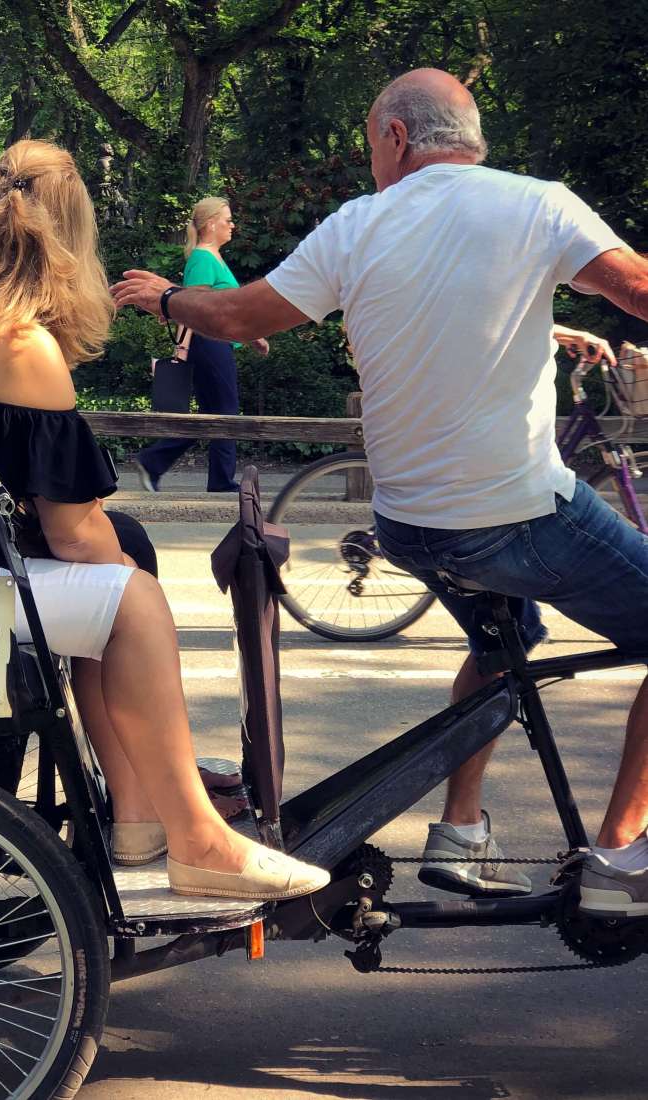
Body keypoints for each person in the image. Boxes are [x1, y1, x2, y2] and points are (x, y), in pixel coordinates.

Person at [112, 68, 648, 915]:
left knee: (510, 637)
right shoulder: (540, 203)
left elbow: (242, 315)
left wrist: (168, 296)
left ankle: (462, 831)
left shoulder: (358, 226)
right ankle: (620, 855)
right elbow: (637, 289)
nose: (370, 163)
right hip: (516, 517)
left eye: (369, 146)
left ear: (397, 137)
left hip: (410, 524)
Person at [0, 138, 324, 900]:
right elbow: (71, 529)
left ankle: (135, 815)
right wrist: (141, 599)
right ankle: (196, 836)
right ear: (68, 242)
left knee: (122, 546)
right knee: (129, 595)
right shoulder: (17, 343)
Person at [135, 197, 268, 494]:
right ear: (210, 224)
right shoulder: (202, 259)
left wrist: (251, 336)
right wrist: (180, 349)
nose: (232, 225)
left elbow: (225, 310)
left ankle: (154, 462)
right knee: (225, 412)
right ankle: (217, 480)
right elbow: (192, 308)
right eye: (227, 219)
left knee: (215, 413)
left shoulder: (212, 258)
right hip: (209, 344)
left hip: (216, 343)